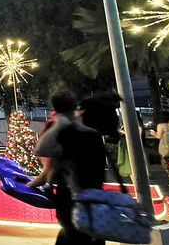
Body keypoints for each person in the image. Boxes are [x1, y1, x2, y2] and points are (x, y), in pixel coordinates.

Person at [32, 90, 114, 245]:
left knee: (72, 235)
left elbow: (42, 154)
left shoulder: (62, 133)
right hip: (93, 197)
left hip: (70, 199)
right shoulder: (93, 134)